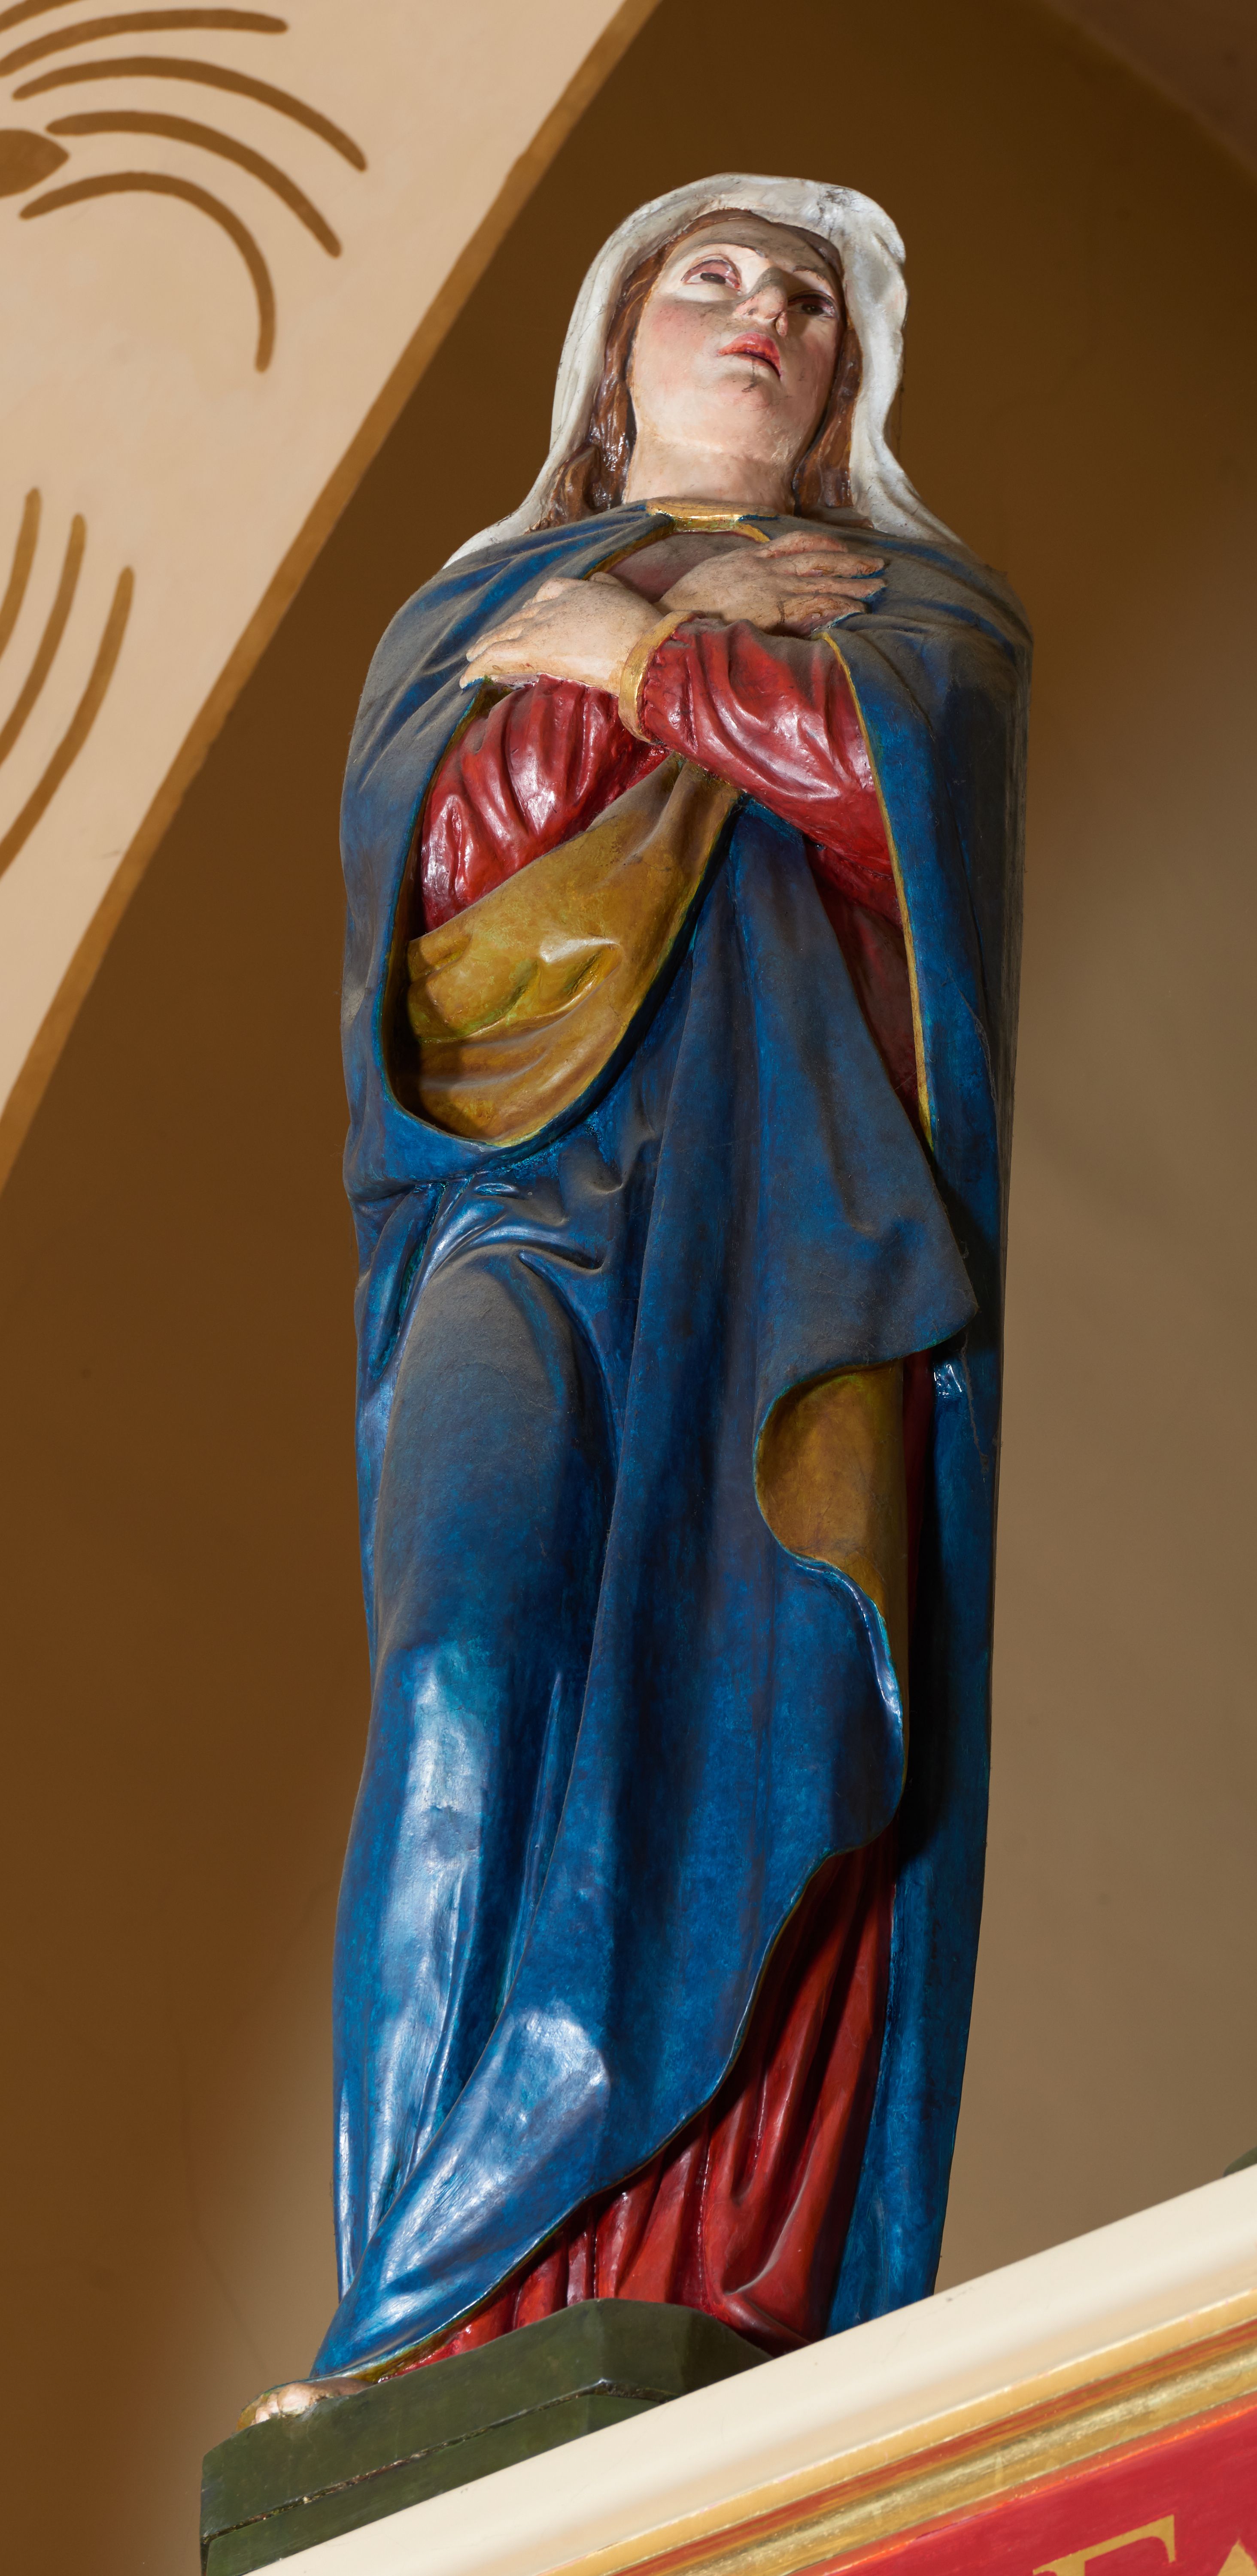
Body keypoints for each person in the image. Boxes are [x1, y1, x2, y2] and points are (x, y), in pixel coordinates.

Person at [243, 174, 1028, 2425]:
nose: (763, 316)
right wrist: (666, 612)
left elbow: (880, 803)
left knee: (769, 1701)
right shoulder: (474, 608)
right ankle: (416, 2292)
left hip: (796, 1251)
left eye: (808, 303)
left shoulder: (914, 612)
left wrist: (644, 663)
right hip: (514, 1212)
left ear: (849, 384)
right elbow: (451, 868)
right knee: (465, 1648)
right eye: (712, 281)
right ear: (614, 362)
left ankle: (687, 2256)